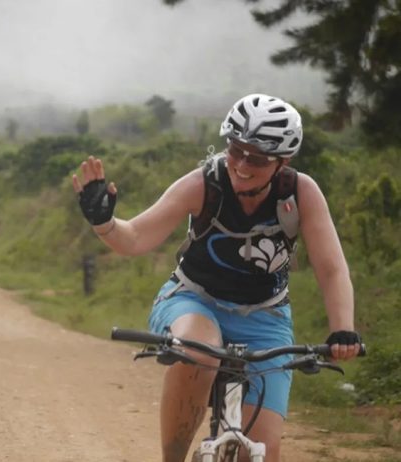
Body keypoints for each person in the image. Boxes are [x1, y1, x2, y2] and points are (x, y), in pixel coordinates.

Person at [72, 94, 362, 462]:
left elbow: (332, 267)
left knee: (264, 451)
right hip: (193, 299)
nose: (241, 164)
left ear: (283, 161)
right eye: (235, 150)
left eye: (256, 158)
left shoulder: (301, 193)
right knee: (197, 349)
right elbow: (135, 238)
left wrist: (343, 329)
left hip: (265, 315)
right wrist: (104, 223)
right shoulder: (203, 184)